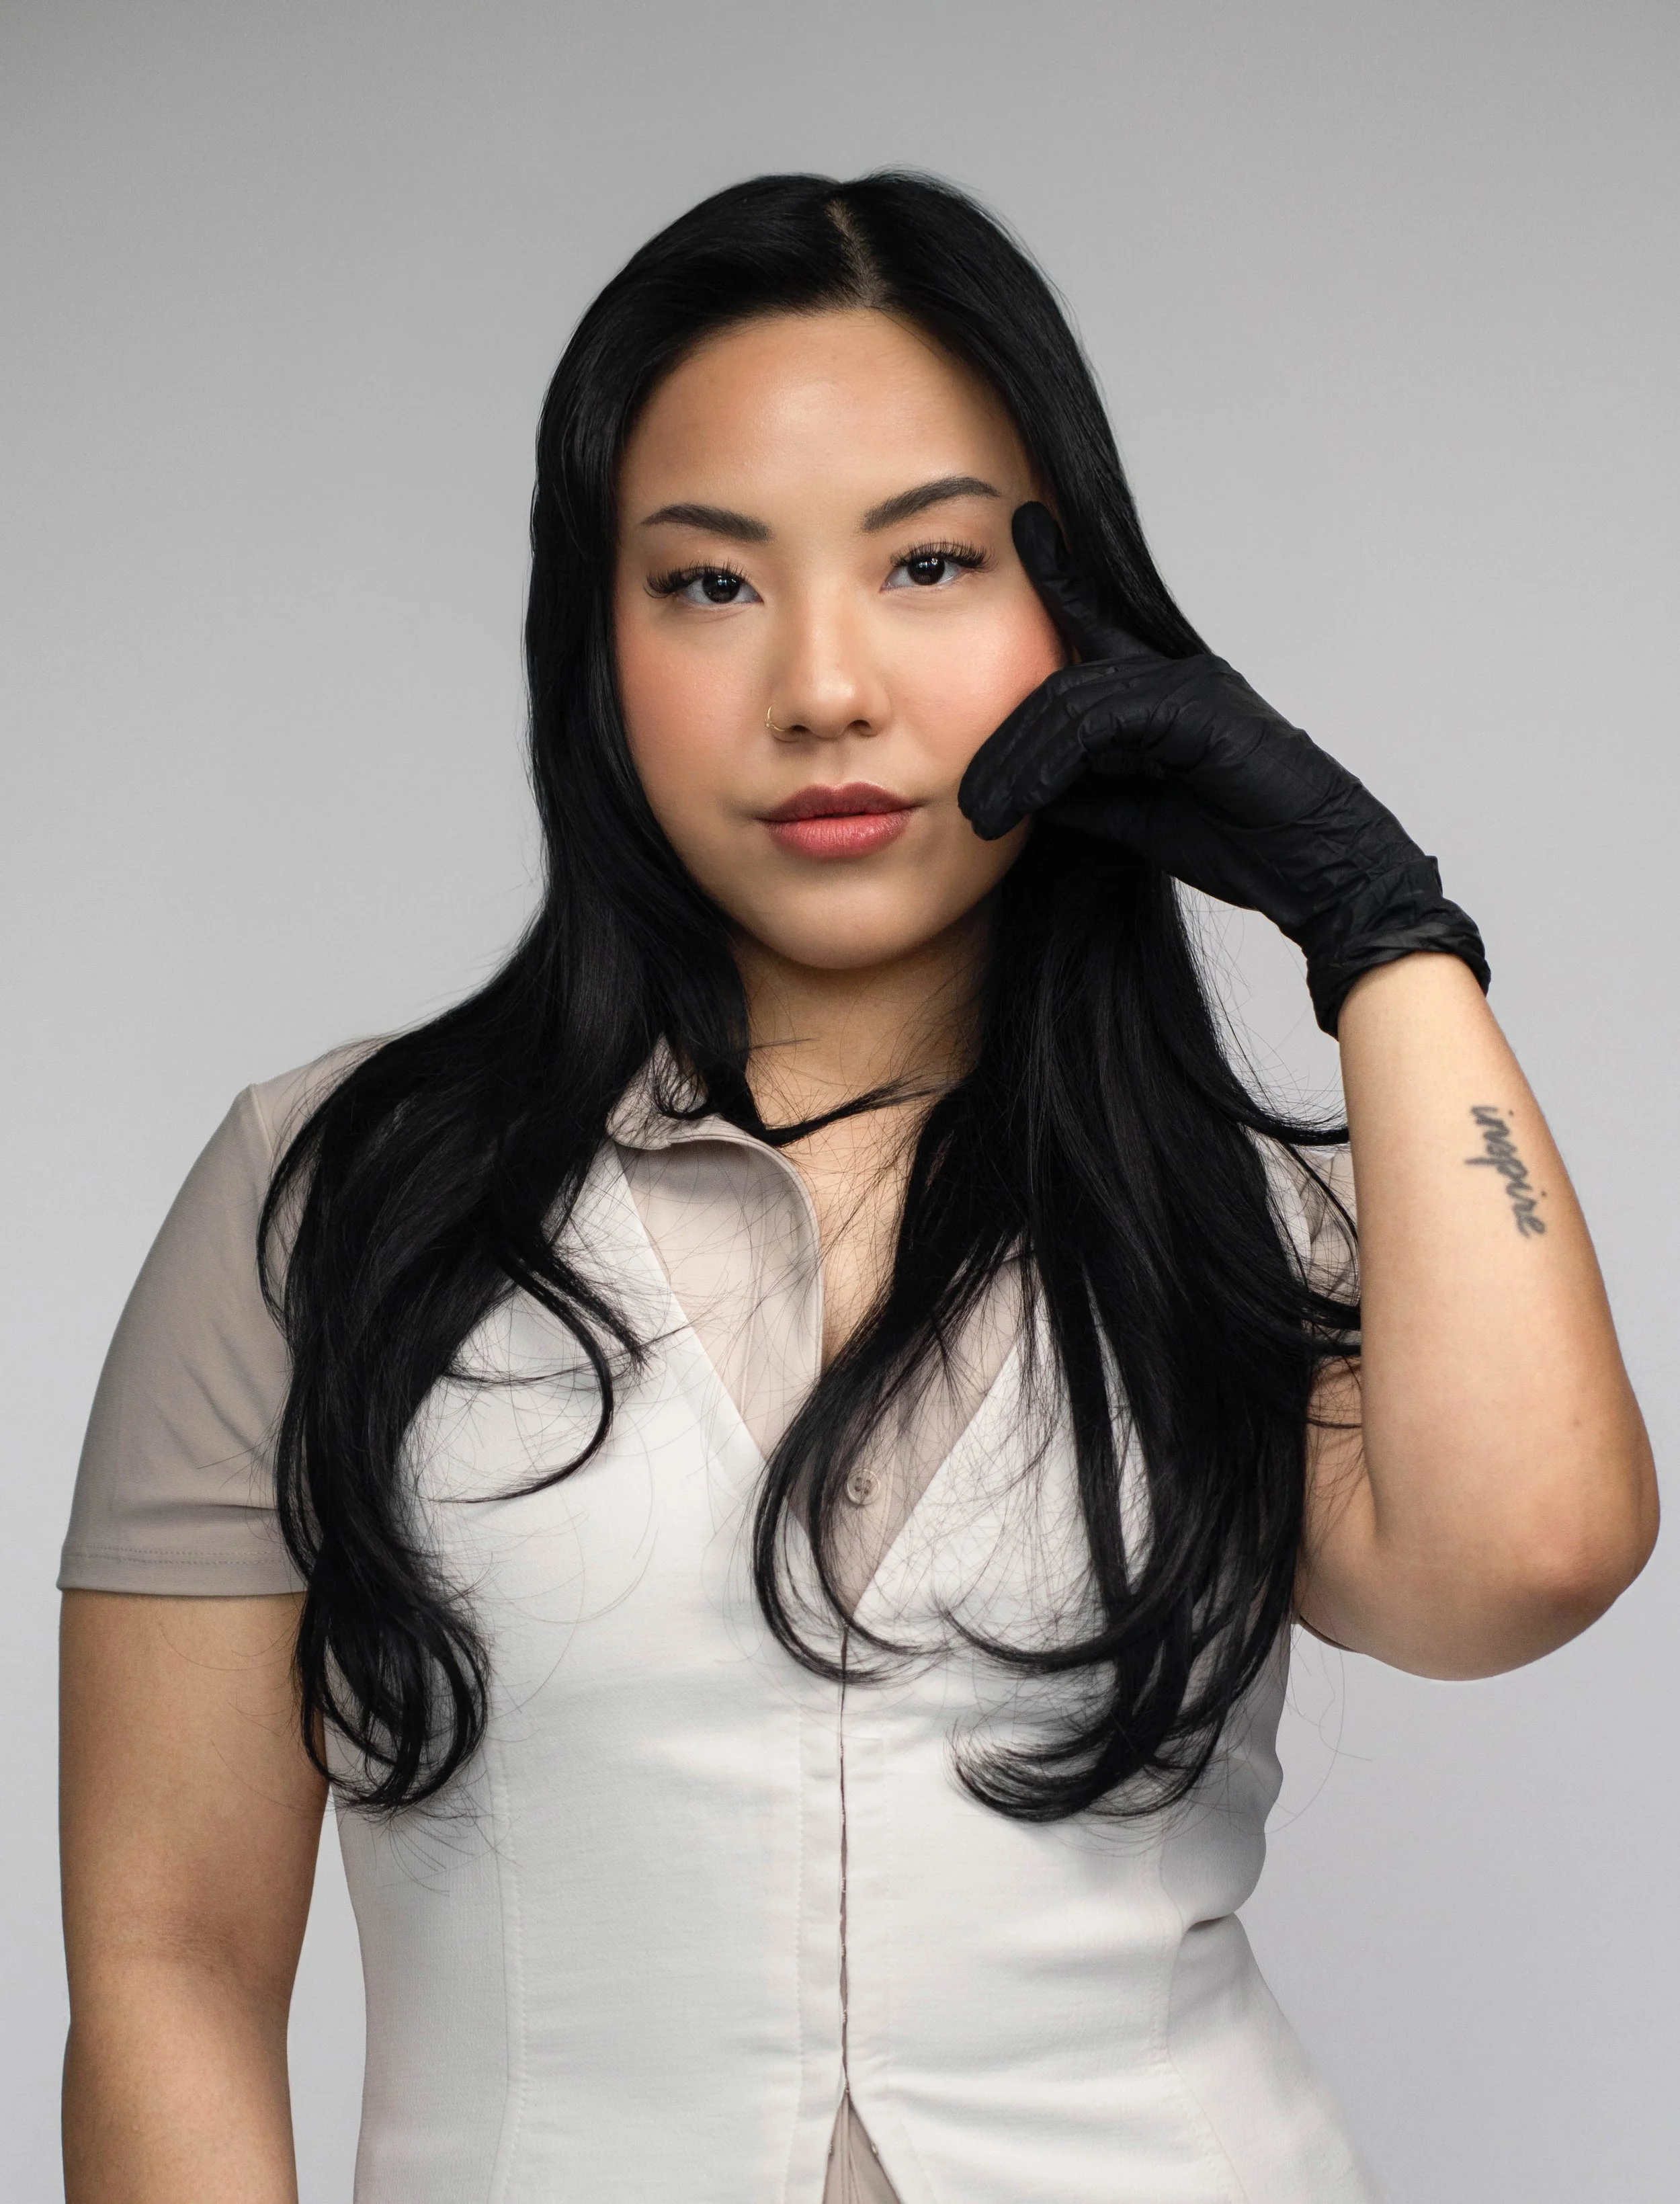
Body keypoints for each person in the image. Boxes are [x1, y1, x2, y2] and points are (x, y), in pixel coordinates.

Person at [57, 171, 1656, 2204]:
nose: (824, 683)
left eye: (927, 565)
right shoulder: (322, 1199)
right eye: (710, 583)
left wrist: (1377, 922)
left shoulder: (1236, 1219)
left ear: (1076, 612)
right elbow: (170, 1963)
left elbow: (1525, 1556)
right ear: (591, 637)